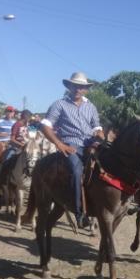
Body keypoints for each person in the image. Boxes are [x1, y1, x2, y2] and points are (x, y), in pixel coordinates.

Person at [41, 72, 104, 228]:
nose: (78, 89)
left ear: (86, 89)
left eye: (81, 87)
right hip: (71, 145)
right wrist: (59, 144)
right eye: (75, 86)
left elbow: (98, 128)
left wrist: (99, 137)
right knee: (76, 170)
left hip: (91, 144)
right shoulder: (59, 104)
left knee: (111, 163)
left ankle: (121, 199)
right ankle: (79, 213)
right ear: (69, 86)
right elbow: (45, 126)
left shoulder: (91, 107)